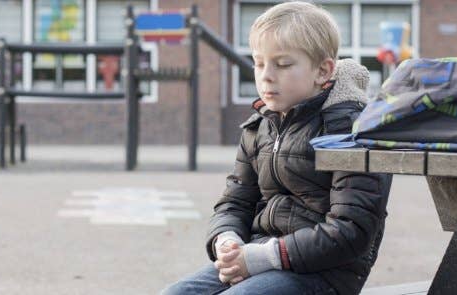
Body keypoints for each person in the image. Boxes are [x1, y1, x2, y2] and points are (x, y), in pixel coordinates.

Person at [160, 2, 392, 294]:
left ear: (323, 71)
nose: (266, 76)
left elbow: (351, 231)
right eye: (259, 63)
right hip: (257, 255)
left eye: (282, 64)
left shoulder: (351, 131)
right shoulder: (260, 127)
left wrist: (263, 257)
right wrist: (226, 239)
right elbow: (235, 201)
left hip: (327, 272)